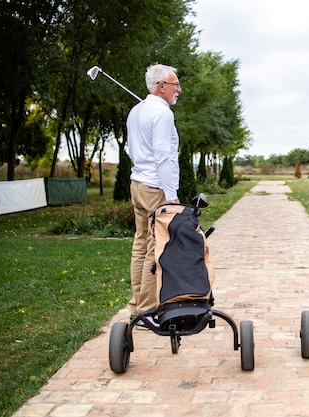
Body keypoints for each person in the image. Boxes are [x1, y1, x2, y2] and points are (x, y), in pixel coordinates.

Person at [127, 64, 182, 326]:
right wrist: (171, 196)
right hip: (154, 189)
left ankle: (137, 305)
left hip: (137, 184)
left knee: (140, 246)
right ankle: (147, 311)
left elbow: (131, 150)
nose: (178, 90)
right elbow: (163, 156)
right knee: (154, 249)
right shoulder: (162, 113)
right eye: (175, 84)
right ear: (161, 86)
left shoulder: (137, 111)